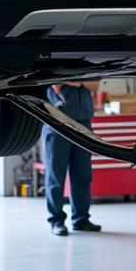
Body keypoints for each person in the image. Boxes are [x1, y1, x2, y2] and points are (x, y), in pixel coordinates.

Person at [43, 82, 102, 237]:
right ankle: (56, 221)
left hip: (83, 123)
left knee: (83, 175)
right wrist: (80, 80)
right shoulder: (58, 58)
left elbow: (94, 85)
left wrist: (77, 80)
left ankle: (81, 219)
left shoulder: (89, 63)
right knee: (56, 176)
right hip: (57, 121)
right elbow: (55, 80)